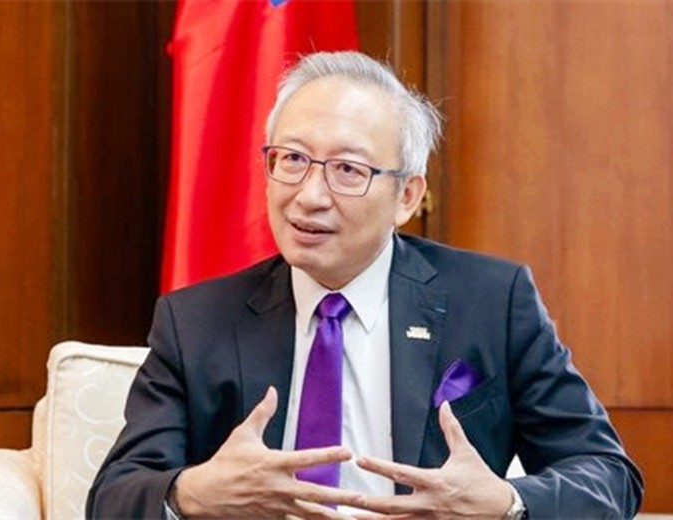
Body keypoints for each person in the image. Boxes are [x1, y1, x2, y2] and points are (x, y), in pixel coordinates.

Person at [87, 51, 643, 519]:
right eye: (292, 159)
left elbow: (609, 476)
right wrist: (192, 493)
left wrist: (505, 503)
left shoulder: (492, 302)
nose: (309, 195)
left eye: (348, 170)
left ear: (407, 197)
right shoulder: (195, 321)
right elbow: (113, 496)